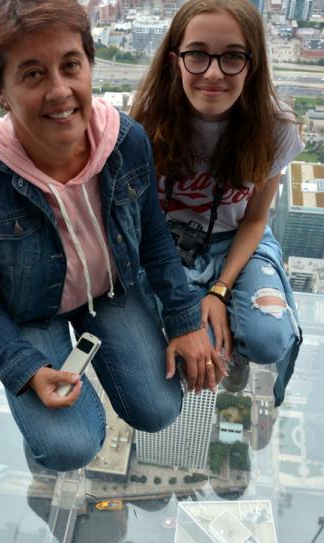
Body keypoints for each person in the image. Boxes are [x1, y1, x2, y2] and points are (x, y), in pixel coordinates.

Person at [0, 0, 227, 472]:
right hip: (29, 310)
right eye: (32, 74)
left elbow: (153, 236)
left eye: (70, 65)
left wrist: (184, 321)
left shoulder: (125, 141)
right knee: (68, 448)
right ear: (1, 91)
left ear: (89, 65)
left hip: (112, 290)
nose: (59, 91)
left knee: (159, 410)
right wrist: (24, 367)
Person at [131, 0, 303, 405]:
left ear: (252, 64)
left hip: (237, 238)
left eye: (232, 57)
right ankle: (225, 339)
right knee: (198, 355)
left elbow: (256, 218)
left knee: (269, 338)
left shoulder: (275, 128)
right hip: (166, 245)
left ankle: (238, 341)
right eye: (197, 55)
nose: (213, 72)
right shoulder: (144, 123)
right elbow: (139, 222)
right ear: (176, 60)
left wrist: (221, 289)